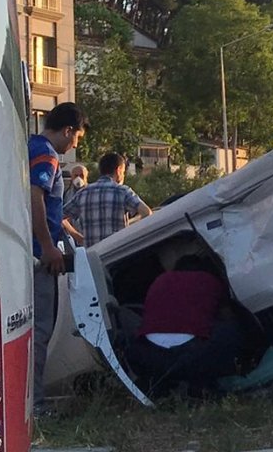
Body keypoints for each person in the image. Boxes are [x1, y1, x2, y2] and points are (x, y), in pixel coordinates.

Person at [27, 102, 86, 413]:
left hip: (34, 251)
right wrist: (48, 246)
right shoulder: (46, 154)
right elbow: (36, 196)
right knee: (39, 331)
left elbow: (50, 208)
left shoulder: (31, 145)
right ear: (67, 130)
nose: (73, 146)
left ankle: (30, 399)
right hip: (40, 256)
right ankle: (34, 404)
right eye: (75, 139)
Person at [126, 254, 244, 397]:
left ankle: (167, 386)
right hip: (193, 355)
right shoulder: (210, 280)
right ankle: (210, 383)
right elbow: (228, 316)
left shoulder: (160, 280)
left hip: (151, 356)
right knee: (231, 329)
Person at [63, 152, 152, 247]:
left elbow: (60, 217)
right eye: (123, 172)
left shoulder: (82, 193)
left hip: (91, 254)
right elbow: (147, 213)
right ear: (118, 170)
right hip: (116, 251)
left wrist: (77, 236)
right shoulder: (123, 191)